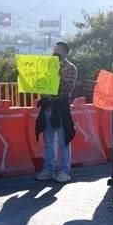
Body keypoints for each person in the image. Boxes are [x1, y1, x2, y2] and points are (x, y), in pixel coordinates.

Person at [36, 42, 78, 183]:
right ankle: (48, 169)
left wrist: (58, 74)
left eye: (59, 50)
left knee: (63, 141)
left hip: (61, 108)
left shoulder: (71, 68)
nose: (56, 52)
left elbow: (68, 89)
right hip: (47, 107)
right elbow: (40, 84)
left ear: (65, 53)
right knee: (48, 142)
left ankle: (64, 171)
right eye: (55, 49)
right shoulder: (48, 66)